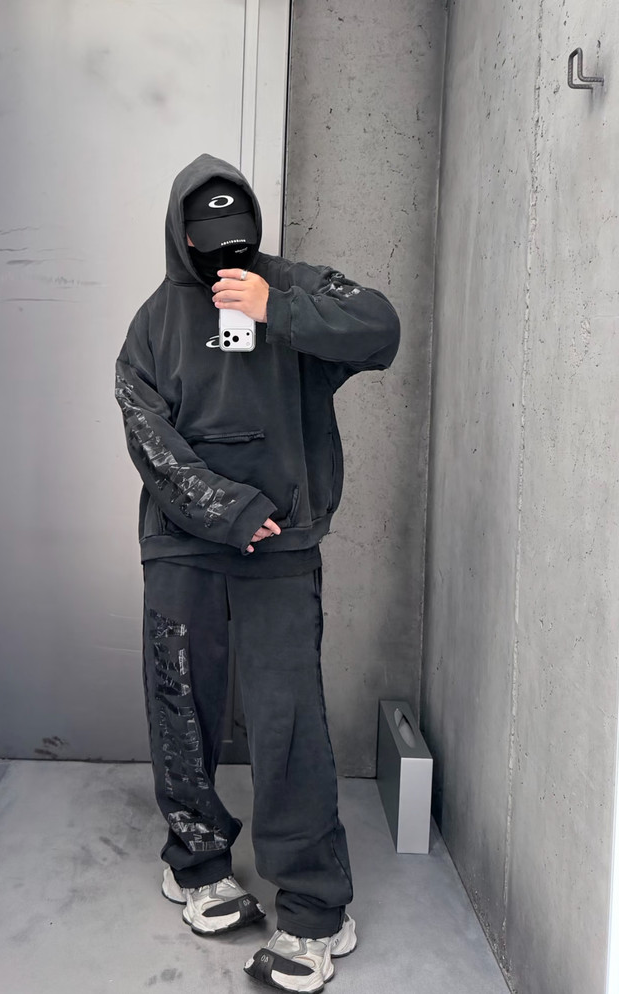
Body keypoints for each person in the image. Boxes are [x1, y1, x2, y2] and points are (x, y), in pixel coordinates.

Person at [114, 152, 400, 993]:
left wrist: (280, 310)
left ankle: (315, 908)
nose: (223, 254)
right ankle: (198, 864)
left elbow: (381, 331)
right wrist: (228, 509)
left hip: (283, 550)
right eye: (207, 242)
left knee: (288, 723)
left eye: (237, 237)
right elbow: (148, 438)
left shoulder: (292, 285)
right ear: (181, 238)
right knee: (183, 707)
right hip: (182, 547)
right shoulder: (153, 323)